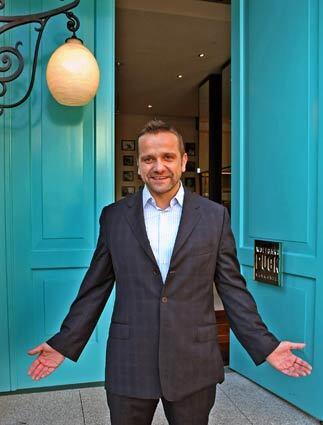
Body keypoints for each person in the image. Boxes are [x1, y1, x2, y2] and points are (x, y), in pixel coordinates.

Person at [28, 120, 312, 425]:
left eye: (167, 157)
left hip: (194, 360)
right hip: (130, 360)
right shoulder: (114, 218)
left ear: (183, 161)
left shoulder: (214, 217)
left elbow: (233, 289)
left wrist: (265, 345)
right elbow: (94, 288)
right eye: (149, 159)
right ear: (138, 165)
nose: (158, 166)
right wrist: (64, 343)